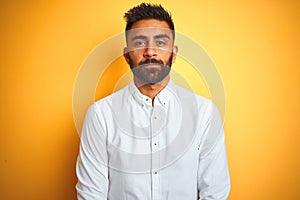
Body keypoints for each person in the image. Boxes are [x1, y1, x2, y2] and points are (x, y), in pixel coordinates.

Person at [76, 3, 230, 200]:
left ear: (173, 54)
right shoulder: (100, 115)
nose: (150, 52)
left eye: (160, 42)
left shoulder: (204, 113)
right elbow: (91, 194)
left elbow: (215, 193)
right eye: (140, 43)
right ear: (126, 55)